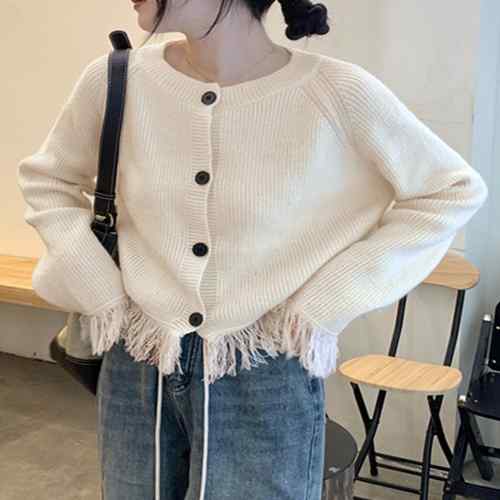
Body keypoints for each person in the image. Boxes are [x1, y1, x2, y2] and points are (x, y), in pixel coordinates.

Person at [16, 0, 488, 499]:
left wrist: (324, 303)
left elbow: (450, 191)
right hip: (138, 358)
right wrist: (100, 290)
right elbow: (49, 182)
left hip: (264, 368)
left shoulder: (335, 91)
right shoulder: (117, 79)